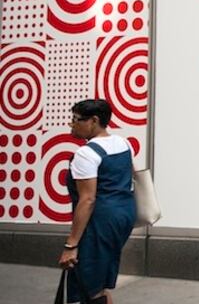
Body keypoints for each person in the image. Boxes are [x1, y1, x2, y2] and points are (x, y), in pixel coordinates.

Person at [58, 99, 136, 304]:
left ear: (94, 120)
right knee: (98, 282)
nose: (71, 124)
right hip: (123, 216)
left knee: (87, 287)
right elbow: (130, 176)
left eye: (76, 119)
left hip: (99, 222)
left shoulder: (86, 154)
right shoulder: (123, 143)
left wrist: (71, 245)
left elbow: (88, 199)